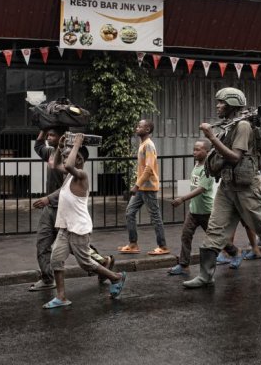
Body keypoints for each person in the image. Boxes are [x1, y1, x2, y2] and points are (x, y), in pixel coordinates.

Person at [183, 88, 261, 288]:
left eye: (221, 102)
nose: (218, 106)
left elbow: (235, 157)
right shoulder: (230, 125)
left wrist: (212, 138)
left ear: (231, 105)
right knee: (215, 228)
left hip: (247, 188)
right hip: (227, 187)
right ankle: (205, 275)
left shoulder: (243, 126)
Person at [42, 134, 127, 308]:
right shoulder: (69, 176)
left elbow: (68, 164)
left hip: (79, 228)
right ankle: (61, 297)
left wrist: (77, 144)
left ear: (79, 159)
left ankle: (116, 277)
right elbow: (58, 165)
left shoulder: (81, 175)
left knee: (86, 263)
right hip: (65, 227)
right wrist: (59, 148)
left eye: (69, 155)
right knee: (56, 259)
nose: (66, 159)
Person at [168, 140, 221, 275]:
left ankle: (233, 252)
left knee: (216, 237)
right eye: (194, 149)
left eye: (198, 150)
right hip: (194, 211)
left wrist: (182, 199)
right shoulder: (197, 165)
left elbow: (201, 189)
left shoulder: (208, 169)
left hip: (206, 211)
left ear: (207, 152)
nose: (194, 152)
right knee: (186, 235)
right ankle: (184, 265)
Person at [119, 119, 168, 256]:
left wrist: (136, 185)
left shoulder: (149, 146)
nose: (137, 127)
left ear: (147, 130)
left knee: (155, 217)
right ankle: (133, 244)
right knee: (130, 212)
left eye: (140, 126)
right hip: (142, 188)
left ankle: (163, 246)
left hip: (149, 187)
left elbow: (149, 168)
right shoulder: (143, 145)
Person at [30, 127, 66, 291]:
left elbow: (69, 187)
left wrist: (48, 198)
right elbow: (38, 146)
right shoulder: (51, 152)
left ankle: (101, 262)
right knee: (42, 244)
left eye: (52, 135)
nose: (48, 138)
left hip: (64, 209)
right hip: (50, 209)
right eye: (48, 135)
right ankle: (47, 278)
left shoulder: (69, 157)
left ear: (62, 137)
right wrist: (43, 129)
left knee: (74, 245)